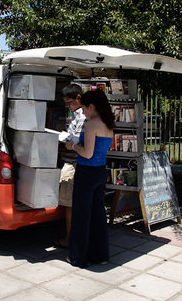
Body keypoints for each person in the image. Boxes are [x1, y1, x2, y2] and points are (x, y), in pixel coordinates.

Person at [64, 90, 114, 267]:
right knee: (98, 215)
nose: (82, 112)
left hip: (87, 172)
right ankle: (100, 255)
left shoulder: (92, 124)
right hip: (100, 172)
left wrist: (73, 146)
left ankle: (78, 258)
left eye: (84, 108)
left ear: (91, 106)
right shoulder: (108, 124)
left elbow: (87, 153)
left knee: (81, 216)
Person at [54, 84, 86, 248]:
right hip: (74, 162)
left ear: (79, 98)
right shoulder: (77, 115)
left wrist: (65, 142)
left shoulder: (82, 117)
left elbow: (77, 141)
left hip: (73, 164)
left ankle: (70, 239)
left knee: (69, 205)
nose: (67, 106)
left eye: (69, 102)